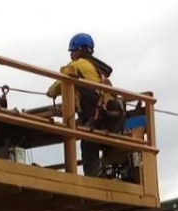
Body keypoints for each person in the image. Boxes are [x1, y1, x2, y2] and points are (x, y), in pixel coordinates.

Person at [45, 33, 121, 175]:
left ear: (80, 49)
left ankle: (92, 181)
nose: (71, 55)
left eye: (73, 51)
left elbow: (58, 85)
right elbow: (84, 99)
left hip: (98, 118)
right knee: (94, 143)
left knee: (88, 145)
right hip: (111, 120)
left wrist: (50, 93)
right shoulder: (96, 68)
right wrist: (62, 111)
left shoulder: (76, 65)